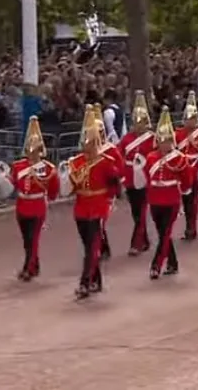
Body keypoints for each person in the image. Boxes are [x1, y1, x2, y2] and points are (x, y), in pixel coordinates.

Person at [64, 105, 123, 300]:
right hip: (81, 207)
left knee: (92, 247)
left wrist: (110, 199)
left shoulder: (105, 161)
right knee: (89, 245)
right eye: (84, 141)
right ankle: (96, 280)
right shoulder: (76, 162)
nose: (85, 145)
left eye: (89, 141)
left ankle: (85, 282)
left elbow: (115, 182)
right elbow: (70, 186)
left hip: (97, 207)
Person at [0, 116, 60, 281]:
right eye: (30, 148)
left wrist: (51, 197)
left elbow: (53, 188)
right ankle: (34, 264)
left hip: (37, 206)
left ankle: (28, 268)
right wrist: (2, 178)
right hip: (22, 205)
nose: (32, 152)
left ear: (40, 150)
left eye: (35, 149)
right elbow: (12, 184)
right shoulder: (18, 166)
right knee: (27, 240)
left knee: (33, 239)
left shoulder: (47, 168)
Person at [144, 106, 194, 279]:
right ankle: (173, 263)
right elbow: (146, 176)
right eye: (161, 140)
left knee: (165, 233)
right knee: (163, 234)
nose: (164, 144)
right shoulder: (151, 157)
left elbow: (187, 177)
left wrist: (186, 191)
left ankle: (156, 265)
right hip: (155, 200)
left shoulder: (179, 158)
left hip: (171, 199)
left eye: (167, 141)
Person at [118, 91, 155, 256]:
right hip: (130, 179)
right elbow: (120, 156)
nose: (139, 125)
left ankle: (137, 243)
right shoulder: (126, 138)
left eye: (142, 122)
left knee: (141, 212)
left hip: (145, 178)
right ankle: (145, 240)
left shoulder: (152, 138)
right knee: (136, 213)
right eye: (136, 122)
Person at [175, 92, 198, 241]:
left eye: (193, 118)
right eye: (188, 119)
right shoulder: (178, 133)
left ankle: (191, 227)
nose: (190, 121)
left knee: (193, 200)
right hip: (182, 167)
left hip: (195, 167)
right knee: (184, 198)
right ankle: (188, 225)